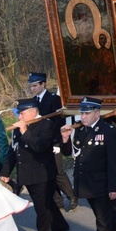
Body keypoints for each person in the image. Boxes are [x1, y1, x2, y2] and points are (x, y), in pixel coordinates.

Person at [0, 98, 70, 231]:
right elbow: (13, 151)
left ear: (33, 111)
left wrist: (24, 131)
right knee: (47, 203)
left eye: (22, 114)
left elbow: (39, 147)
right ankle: (61, 225)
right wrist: (5, 172)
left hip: (42, 174)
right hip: (27, 174)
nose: (19, 118)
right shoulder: (19, 128)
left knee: (42, 208)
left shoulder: (46, 125)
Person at [60, 97, 116, 231]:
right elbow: (69, 152)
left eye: (87, 113)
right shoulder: (81, 130)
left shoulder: (108, 131)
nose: (83, 117)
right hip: (86, 184)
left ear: (97, 113)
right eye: (82, 113)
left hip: (102, 184)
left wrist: (115, 187)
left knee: (102, 221)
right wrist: (65, 138)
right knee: (103, 214)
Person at [28, 72, 77, 213]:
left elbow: (59, 120)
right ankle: (57, 200)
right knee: (46, 172)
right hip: (40, 142)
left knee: (57, 170)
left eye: (35, 85)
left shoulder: (54, 99)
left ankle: (72, 195)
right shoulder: (32, 102)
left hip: (54, 139)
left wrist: (46, 127)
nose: (33, 89)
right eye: (31, 86)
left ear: (43, 84)